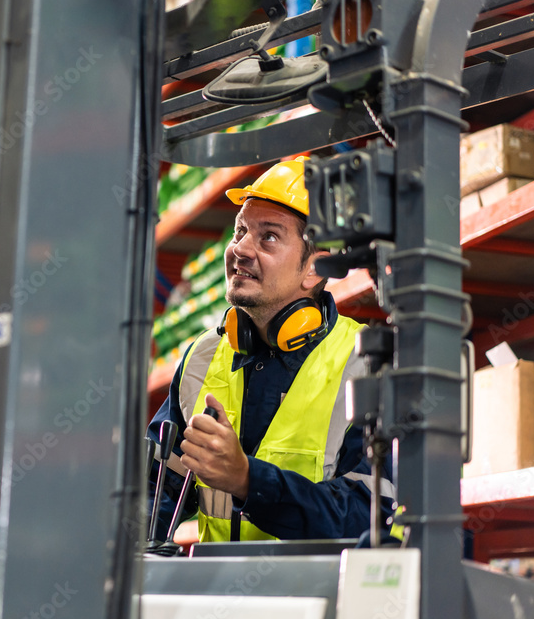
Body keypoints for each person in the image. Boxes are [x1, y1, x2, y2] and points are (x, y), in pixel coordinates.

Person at [147, 157, 395, 544]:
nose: (240, 249)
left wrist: (248, 481)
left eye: (269, 237)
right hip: (216, 597)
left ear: (315, 269)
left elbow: (366, 518)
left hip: (322, 599)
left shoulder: (365, 363)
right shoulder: (201, 358)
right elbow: (155, 491)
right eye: (240, 230)